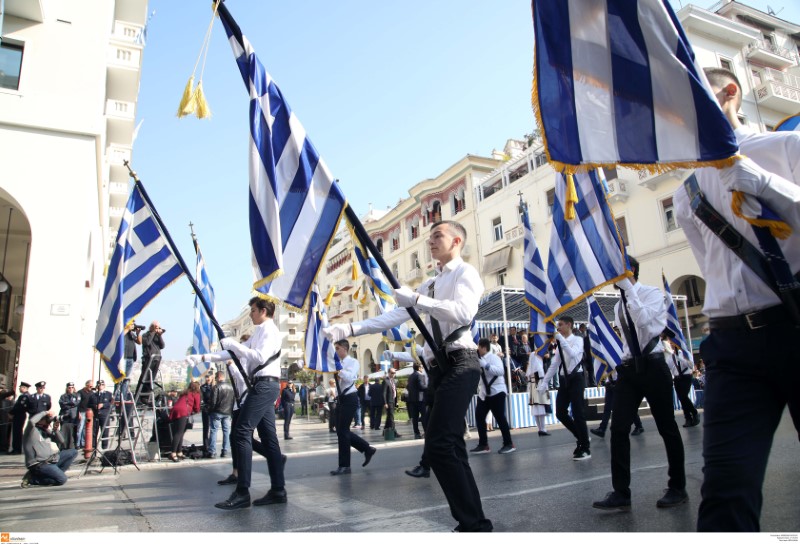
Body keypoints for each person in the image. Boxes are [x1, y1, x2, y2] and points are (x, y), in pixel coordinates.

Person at [673, 67, 800, 532]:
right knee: (726, 492)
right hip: (732, 346)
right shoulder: (685, 192)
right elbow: (715, 271)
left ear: (730, 93)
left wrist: (765, 185)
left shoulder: (784, 148)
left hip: (795, 323)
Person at [324, 220, 492, 532]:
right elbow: (392, 316)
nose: (430, 241)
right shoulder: (430, 283)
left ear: (457, 241)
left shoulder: (464, 273)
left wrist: (415, 300)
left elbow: (462, 313)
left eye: (437, 236)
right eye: (429, 236)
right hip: (440, 367)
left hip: (461, 361)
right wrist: (349, 328)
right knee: (450, 446)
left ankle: (473, 523)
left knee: (440, 444)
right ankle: (475, 523)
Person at [592, 257, 687, 512]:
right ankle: (621, 491)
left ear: (629, 271)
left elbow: (647, 324)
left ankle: (678, 487)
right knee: (619, 428)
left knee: (667, 427)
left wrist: (630, 289)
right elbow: (627, 339)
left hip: (654, 366)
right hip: (630, 369)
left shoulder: (652, 293)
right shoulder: (618, 306)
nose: (612, 279)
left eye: (616, 274)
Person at [187, 297, 287, 510]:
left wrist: (234, 344)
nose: (250, 314)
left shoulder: (270, 330)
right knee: (269, 439)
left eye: (253, 310)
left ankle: (242, 492)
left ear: (263, 311)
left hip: (264, 385)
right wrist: (202, 357)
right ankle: (278, 490)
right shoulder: (259, 331)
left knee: (241, 432)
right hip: (262, 385)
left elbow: (259, 357)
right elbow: (233, 353)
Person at [537, 315, 591, 460]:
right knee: (560, 412)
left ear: (569, 325)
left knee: (578, 413)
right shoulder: (561, 342)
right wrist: (544, 383)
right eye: (558, 325)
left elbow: (573, 355)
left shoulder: (578, 340)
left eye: (560, 325)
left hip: (576, 378)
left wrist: (561, 341)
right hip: (564, 379)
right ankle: (581, 437)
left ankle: (585, 448)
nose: (558, 328)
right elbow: (555, 364)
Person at [329, 340, 377, 475]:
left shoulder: (353, 362)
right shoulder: (338, 364)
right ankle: (367, 449)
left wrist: (339, 369)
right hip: (341, 399)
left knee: (343, 431)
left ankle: (345, 466)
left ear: (344, 348)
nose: (336, 351)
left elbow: (349, 378)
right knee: (341, 431)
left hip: (350, 399)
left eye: (337, 348)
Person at [471, 338, 515, 454]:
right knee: (479, 417)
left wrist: (486, 365)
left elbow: (500, 371)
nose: (477, 349)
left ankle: (509, 443)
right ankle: (483, 444)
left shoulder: (494, 358)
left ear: (484, 347)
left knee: (500, 417)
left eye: (478, 347)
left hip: (497, 391)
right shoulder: (478, 359)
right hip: (484, 393)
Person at [21, 411, 78, 488]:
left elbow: (61, 441)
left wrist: (55, 429)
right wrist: (45, 412)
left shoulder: (46, 430)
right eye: (45, 419)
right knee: (62, 480)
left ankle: (55, 474)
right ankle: (32, 479)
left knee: (73, 452)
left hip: (51, 460)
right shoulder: (31, 430)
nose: (47, 421)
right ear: (39, 420)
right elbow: (31, 421)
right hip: (40, 464)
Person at [590, 370, 644, 438]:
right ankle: (602, 429)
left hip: (619, 382)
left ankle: (639, 425)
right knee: (607, 408)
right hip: (609, 383)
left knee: (628, 406)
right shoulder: (604, 359)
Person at [662, 333, 699, 428]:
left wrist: (681, 359)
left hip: (686, 377)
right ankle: (688, 418)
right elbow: (669, 367)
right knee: (682, 399)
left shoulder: (686, 354)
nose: (671, 346)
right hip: (677, 378)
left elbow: (691, 366)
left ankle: (694, 413)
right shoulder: (671, 356)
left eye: (673, 344)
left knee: (683, 396)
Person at [167, 381, 200, 462]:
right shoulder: (196, 394)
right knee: (178, 433)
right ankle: (173, 453)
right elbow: (197, 407)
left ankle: (179, 452)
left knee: (180, 432)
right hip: (183, 412)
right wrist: (196, 411)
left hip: (175, 411)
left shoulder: (184, 393)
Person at [208, 370, 234, 458]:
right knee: (226, 431)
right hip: (227, 412)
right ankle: (225, 451)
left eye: (215, 377)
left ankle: (212, 451)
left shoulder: (216, 387)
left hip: (217, 412)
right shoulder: (231, 387)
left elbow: (213, 402)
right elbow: (233, 401)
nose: (215, 379)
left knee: (213, 431)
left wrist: (210, 410)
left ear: (219, 377)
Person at [526, 351, 550, 436]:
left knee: (536, 407)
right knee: (541, 405)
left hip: (533, 382)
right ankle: (542, 429)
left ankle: (540, 428)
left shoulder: (532, 359)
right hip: (538, 381)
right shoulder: (537, 358)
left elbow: (529, 373)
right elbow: (540, 371)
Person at [140, 321, 165, 392]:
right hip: (148, 359)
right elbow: (147, 342)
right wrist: (153, 332)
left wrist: (159, 336)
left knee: (152, 378)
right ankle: (141, 395)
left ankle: (148, 394)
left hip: (156, 358)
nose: (157, 329)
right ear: (152, 327)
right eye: (156, 327)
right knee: (145, 377)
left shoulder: (157, 336)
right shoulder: (145, 335)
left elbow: (162, 346)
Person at [118, 323, 141, 398]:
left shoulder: (131, 333)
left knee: (127, 379)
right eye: (131, 324)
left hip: (131, 358)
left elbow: (139, 342)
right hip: (123, 358)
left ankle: (123, 397)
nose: (133, 325)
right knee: (120, 378)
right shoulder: (122, 331)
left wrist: (138, 334)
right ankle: (118, 396)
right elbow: (119, 338)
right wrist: (127, 329)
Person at [89, 380, 113, 450]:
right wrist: (95, 406)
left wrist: (103, 405)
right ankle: (93, 446)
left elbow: (111, 403)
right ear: (97, 386)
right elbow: (89, 405)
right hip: (96, 415)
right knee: (94, 431)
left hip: (104, 414)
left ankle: (104, 446)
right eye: (99, 385)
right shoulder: (93, 395)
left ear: (104, 385)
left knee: (105, 431)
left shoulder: (108, 394)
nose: (101, 386)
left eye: (102, 384)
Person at [406, 363, 427, 439]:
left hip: (412, 399)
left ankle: (416, 433)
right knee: (424, 416)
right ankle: (426, 432)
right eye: (421, 367)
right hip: (420, 399)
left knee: (415, 417)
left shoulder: (410, 376)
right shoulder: (419, 375)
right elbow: (421, 386)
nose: (422, 368)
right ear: (419, 368)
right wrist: (428, 388)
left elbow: (408, 387)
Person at [9, 381, 31, 455]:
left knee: (17, 432)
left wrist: (11, 413)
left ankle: (17, 449)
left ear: (24, 388)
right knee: (16, 432)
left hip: (19, 415)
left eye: (20, 387)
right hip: (19, 415)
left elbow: (19, 407)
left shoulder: (24, 396)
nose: (19, 388)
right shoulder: (24, 395)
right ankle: (15, 448)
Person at [58, 383, 79, 450]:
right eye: (69, 387)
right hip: (65, 415)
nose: (71, 389)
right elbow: (62, 404)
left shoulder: (77, 395)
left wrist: (67, 403)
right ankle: (63, 446)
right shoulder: (63, 396)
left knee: (74, 431)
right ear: (67, 388)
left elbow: (76, 403)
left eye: (72, 387)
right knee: (64, 430)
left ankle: (73, 445)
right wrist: (71, 404)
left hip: (74, 416)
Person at [382, 369, 401, 437]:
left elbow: (395, 391)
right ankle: (394, 432)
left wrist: (396, 402)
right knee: (391, 417)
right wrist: (385, 403)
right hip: (388, 402)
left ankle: (384, 431)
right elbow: (383, 393)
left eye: (394, 373)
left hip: (393, 401)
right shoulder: (385, 381)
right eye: (392, 373)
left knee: (389, 417)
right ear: (389, 373)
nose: (393, 374)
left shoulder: (393, 381)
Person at [75, 380, 93, 449]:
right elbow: (77, 403)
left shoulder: (91, 393)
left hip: (88, 412)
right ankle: (77, 444)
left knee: (86, 429)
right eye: (90, 386)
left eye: (92, 386)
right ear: (86, 385)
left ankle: (83, 443)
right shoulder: (80, 392)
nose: (91, 387)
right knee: (80, 428)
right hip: (82, 412)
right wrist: (78, 413)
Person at [200, 373, 214, 454]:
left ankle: (212, 446)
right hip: (206, 409)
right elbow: (203, 397)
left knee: (213, 429)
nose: (207, 379)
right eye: (206, 377)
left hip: (214, 409)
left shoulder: (215, 386)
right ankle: (206, 446)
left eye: (209, 377)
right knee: (206, 428)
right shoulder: (203, 387)